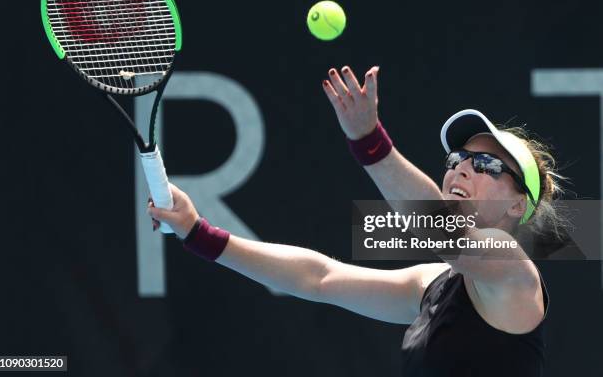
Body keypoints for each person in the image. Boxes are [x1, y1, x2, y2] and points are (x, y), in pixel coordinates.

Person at [148, 66, 564, 377]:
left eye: (485, 164)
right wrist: (197, 231)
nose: (461, 169)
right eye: (456, 160)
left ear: (517, 206)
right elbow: (319, 278)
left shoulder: (515, 272)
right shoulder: (432, 286)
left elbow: (444, 230)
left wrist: (370, 142)